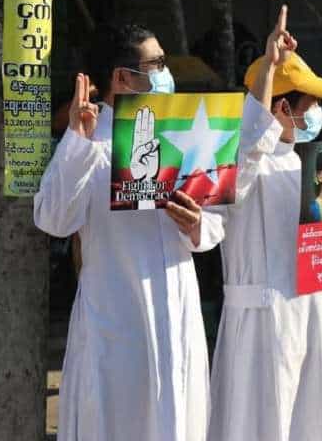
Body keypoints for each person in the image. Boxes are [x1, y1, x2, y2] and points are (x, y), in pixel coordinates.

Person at [34, 24, 224, 441]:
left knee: (178, 421)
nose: (164, 72)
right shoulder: (89, 142)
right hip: (118, 319)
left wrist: (197, 226)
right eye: (155, 64)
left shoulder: (182, 133)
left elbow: (215, 223)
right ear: (121, 77)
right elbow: (52, 219)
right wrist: (77, 142)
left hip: (176, 308)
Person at [208, 6, 322, 441]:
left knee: (319, 424)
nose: (317, 114)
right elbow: (246, 156)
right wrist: (269, 67)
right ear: (282, 106)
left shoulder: (313, 165)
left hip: (316, 309)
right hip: (263, 317)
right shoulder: (233, 160)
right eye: (311, 105)